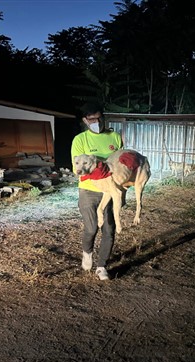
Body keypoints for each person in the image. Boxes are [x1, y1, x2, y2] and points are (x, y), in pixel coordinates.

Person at [70, 104, 123, 281]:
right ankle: (87, 252)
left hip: (110, 191)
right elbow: (79, 169)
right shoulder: (80, 140)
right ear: (85, 120)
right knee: (92, 228)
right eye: (92, 119)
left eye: (99, 118)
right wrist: (104, 167)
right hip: (89, 190)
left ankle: (102, 266)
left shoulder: (115, 137)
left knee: (109, 229)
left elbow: (121, 162)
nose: (97, 122)